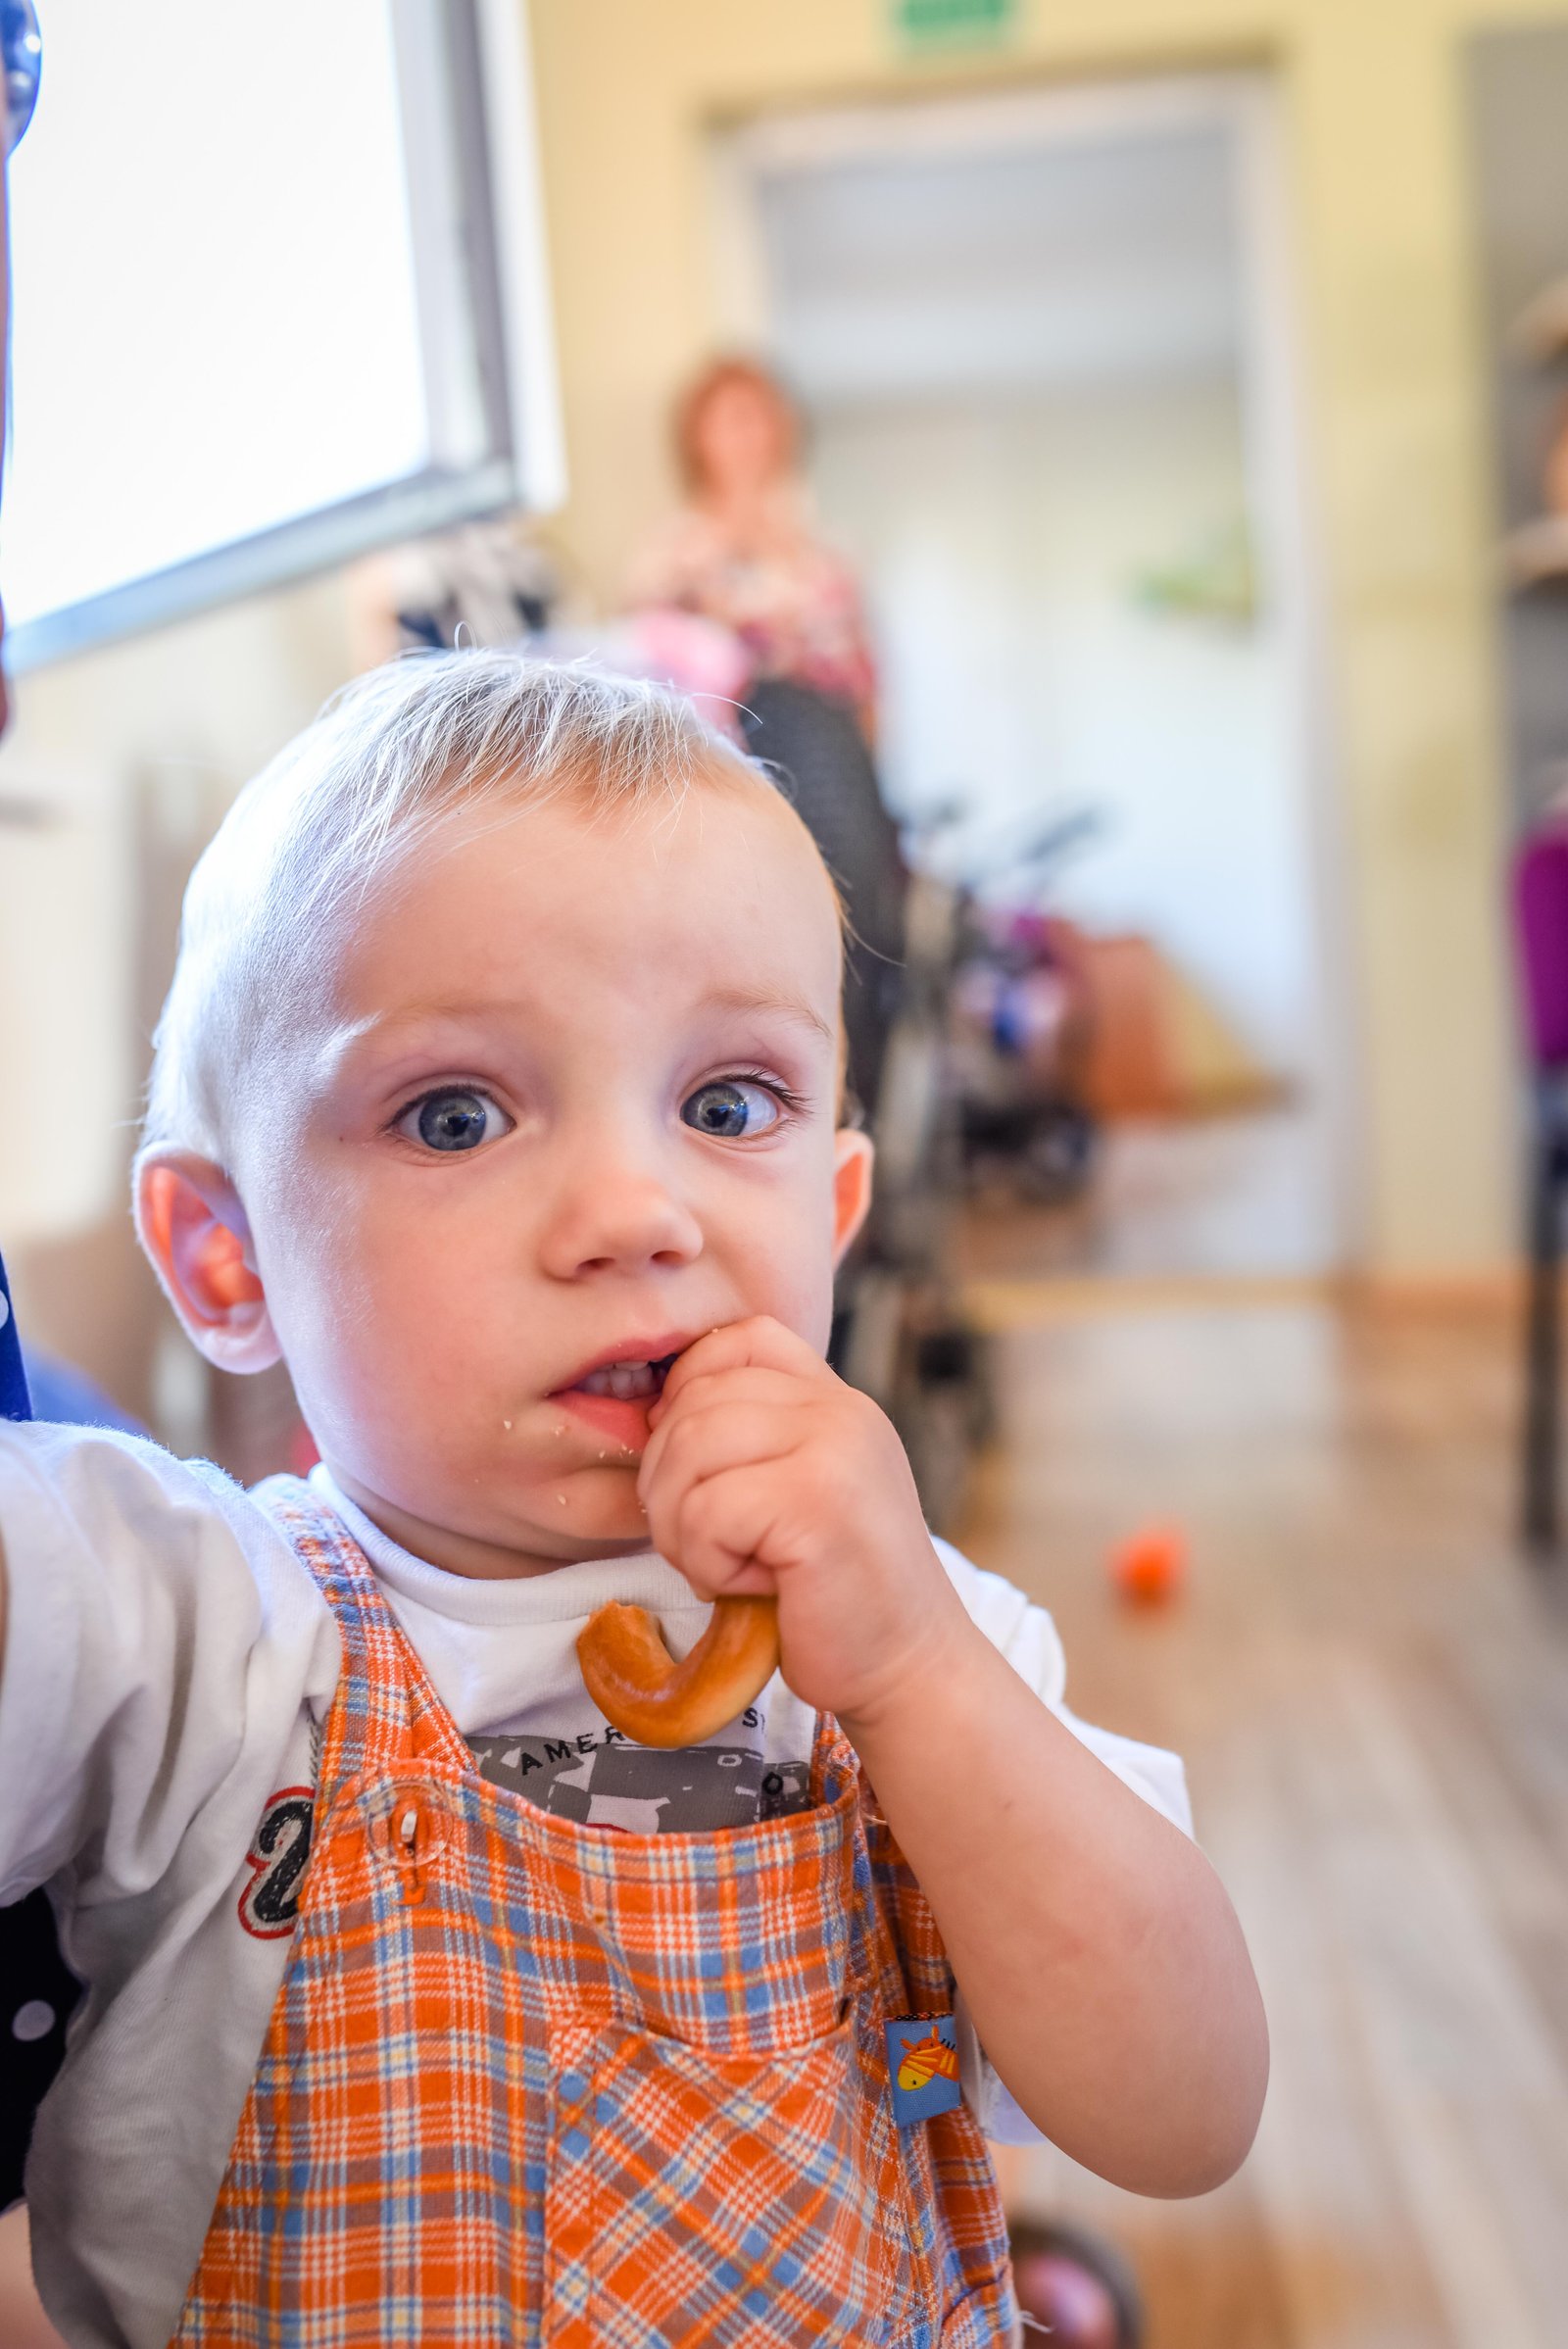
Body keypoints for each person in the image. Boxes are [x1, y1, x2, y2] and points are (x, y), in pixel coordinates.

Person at [0, 655, 1267, 2346]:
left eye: (725, 1104)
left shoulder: (927, 1646)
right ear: (228, 1256)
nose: (635, 1210)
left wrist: (921, 1677)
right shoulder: (185, 1625)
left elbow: (1189, 2113)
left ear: (833, 1212)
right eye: (456, 1115)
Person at [626, 355, 879, 739]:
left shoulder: (826, 554)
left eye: (764, 418)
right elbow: (647, 667)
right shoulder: (669, 556)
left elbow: (863, 678)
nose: (751, 436)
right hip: (724, 743)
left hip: (829, 744)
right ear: (697, 437)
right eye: (734, 420)